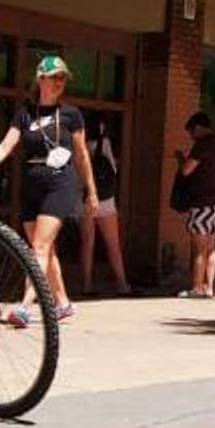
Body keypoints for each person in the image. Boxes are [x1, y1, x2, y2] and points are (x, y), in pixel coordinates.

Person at [0, 54, 97, 326]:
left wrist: (91, 191)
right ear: (40, 79)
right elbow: (5, 146)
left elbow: (82, 155)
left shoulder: (71, 114)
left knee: (38, 246)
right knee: (45, 250)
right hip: (32, 183)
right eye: (55, 77)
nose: (60, 82)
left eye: (63, 78)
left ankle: (25, 306)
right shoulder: (25, 112)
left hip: (60, 181)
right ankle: (62, 303)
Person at [172, 112, 215, 298]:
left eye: (191, 132)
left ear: (197, 127)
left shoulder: (202, 144)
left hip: (202, 202)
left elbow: (187, 170)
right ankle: (209, 287)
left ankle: (196, 287)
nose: (191, 137)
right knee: (212, 247)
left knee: (199, 247)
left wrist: (181, 159)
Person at [78, 115, 129, 297]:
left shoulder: (79, 143)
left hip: (83, 197)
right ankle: (122, 284)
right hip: (105, 199)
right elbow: (112, 169)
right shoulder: (104, 142)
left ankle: (86, 285)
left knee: (87, 243)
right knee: (113, 244)